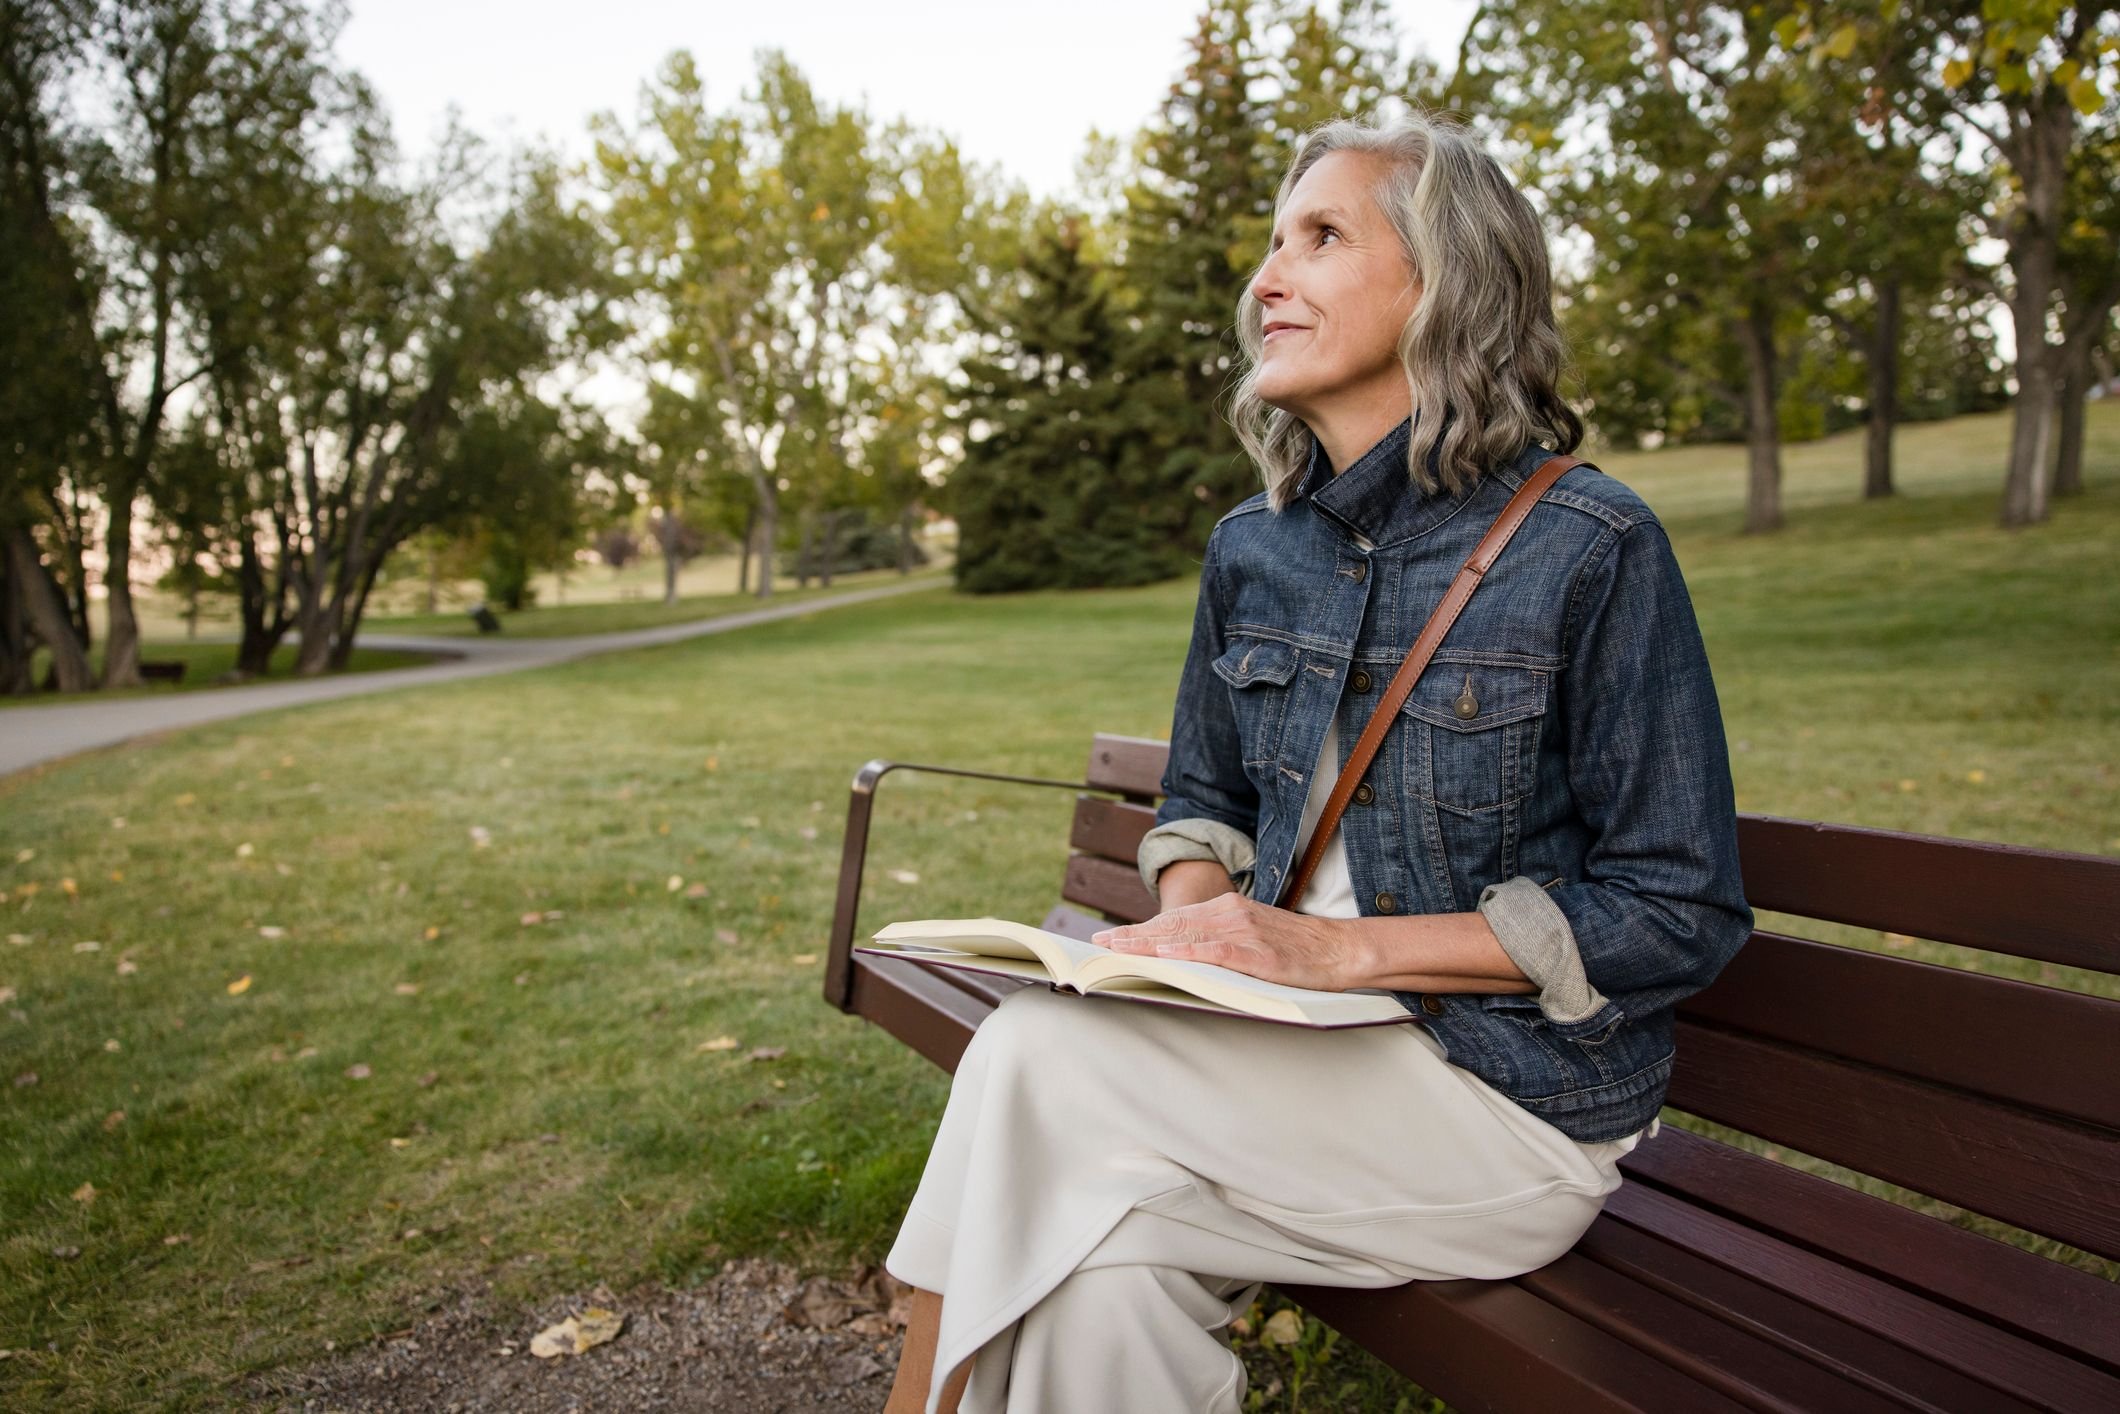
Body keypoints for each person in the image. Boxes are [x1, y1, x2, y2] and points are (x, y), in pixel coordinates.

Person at [880, 111, 1753, 1414]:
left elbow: (1680, 907)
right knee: (1097, 1275)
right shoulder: (1257, 548)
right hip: (1274, 1051)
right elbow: (1203, 802)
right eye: (1271, 244)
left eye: (1322, 237)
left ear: (1446, 285)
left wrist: (1340, 953)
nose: (1266, 281)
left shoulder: (1590, 546)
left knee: (1031, 1059)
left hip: (1507, 1099)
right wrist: (1195, 939)